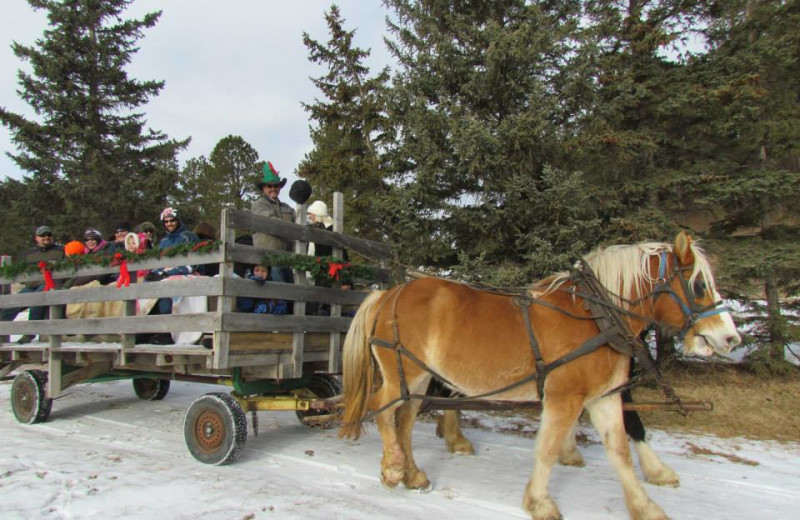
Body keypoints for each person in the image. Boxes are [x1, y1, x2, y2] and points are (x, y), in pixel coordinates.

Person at [1, 226, 65, 341]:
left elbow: (68, 267)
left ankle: (30, 333)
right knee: (12, 304)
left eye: (49, 235)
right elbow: (21, 270)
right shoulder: (29, 254)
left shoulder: (60, 251)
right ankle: (2, 332)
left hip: (49, 285)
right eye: (43, 235)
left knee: (36, 299)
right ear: (37, 238)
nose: (46, 237)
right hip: (30, 286)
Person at [145, 207, 199, 314]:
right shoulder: (164, 241)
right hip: (166, 273)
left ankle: (166, 321)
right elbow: (159, 261)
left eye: (172, 221)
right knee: (147, 283)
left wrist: (167, 273)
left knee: (165, 285)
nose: (169, 224)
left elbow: (192, 264)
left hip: (185, 272)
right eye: (166, 222)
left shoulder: (188, 237)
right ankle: (147, 322)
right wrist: (156, 272)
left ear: (178, 221)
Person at [250, 161, 295, 283]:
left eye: (276, 186)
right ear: (264, 188)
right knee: (277, 291)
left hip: (287, 258)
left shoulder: (287, 207)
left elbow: (299, 226)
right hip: (268, 259)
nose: (273, 188)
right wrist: (291, 228)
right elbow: (270, 221)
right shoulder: (259, 204)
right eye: (269, 186)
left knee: (292, 292)